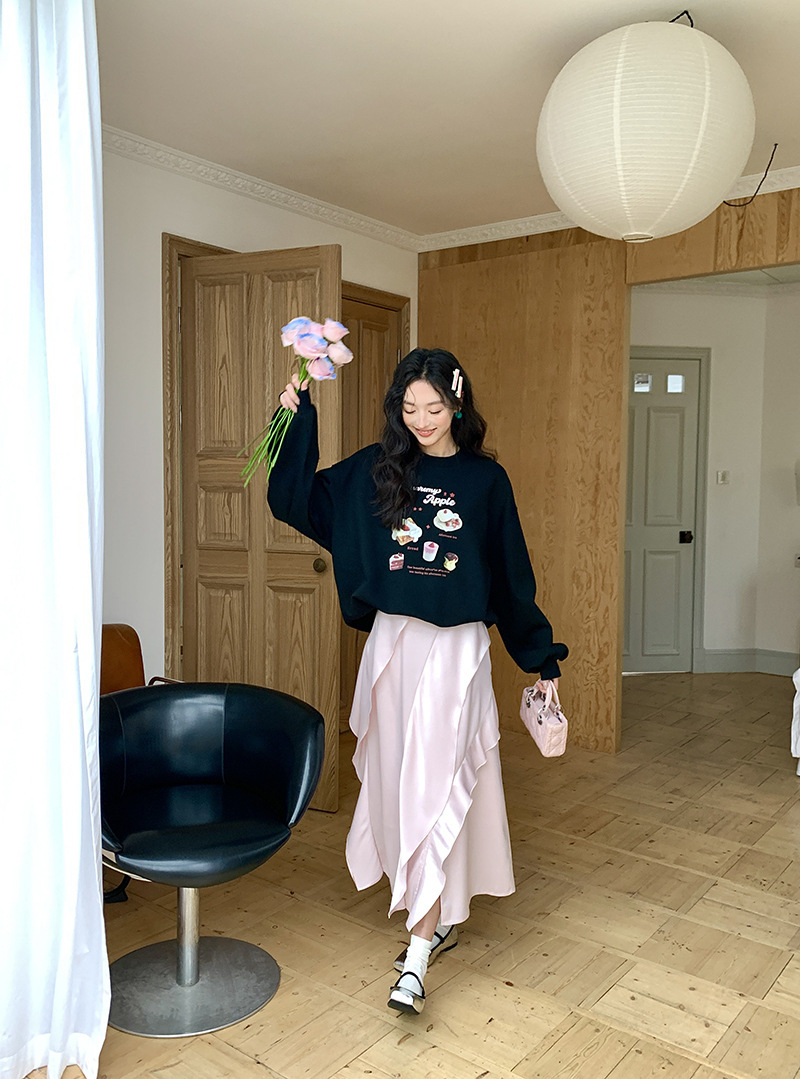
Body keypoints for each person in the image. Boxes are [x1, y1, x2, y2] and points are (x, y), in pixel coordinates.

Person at [268, 347, 567, 1016]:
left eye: (434, 407)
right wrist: (296, 419)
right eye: (409, 408)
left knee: (434, 785)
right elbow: (294, 500)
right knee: (402, 782)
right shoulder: (378, 472)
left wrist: (540, 655)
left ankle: (418, 953)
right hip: (392, 649)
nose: (422, 420)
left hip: (456, 653)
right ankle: (440, 907)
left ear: (458, 405)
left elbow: (512, 577)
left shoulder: (486, 483)